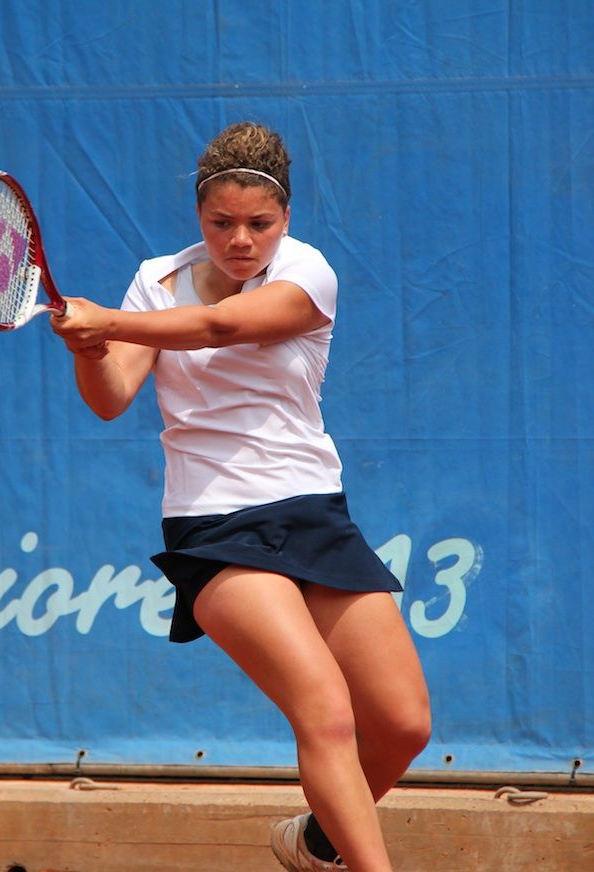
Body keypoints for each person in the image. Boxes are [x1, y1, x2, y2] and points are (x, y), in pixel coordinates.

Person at [50, 121, 431, 872]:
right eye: (221, 223)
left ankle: (315, 843)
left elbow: (221, 325)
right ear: (200, 216)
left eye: (258, 223)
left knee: (400, 725)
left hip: (314, 513)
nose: (240, 241)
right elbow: (111, 396)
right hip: (214, 525)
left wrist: (115, 320)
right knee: (322, 710)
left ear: (284, 218)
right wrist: (88, 349)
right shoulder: (154, 281)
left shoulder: (307, 272)